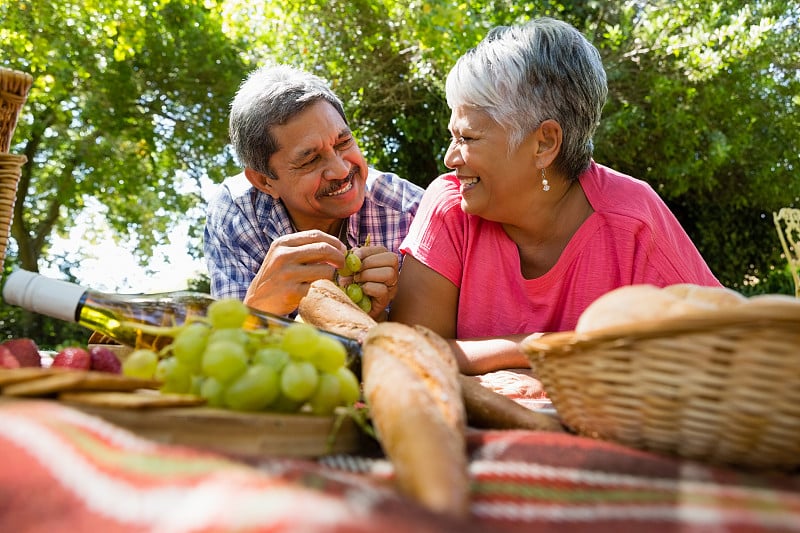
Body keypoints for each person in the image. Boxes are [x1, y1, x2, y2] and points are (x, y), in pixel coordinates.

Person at [390, 18, 722, 375]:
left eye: (467, 138)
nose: (450, 158)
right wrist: (537, 348)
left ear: (545, 143)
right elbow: (409, 355)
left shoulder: (633, 220)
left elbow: (723, 349)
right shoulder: (449, 206)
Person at [204, 64, 424, 320]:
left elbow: (438, 343)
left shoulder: (411, 212)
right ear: (265, 182)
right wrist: (258, 309)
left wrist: (379, 318)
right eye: (310, 161)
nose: (341, 171)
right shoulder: (237, 215)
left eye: (343, 143)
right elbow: (231, 350)